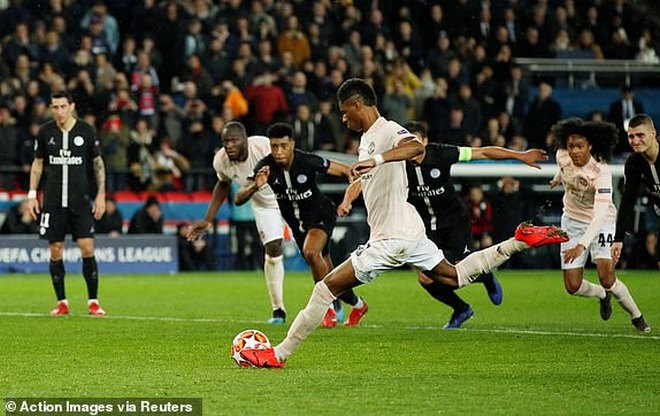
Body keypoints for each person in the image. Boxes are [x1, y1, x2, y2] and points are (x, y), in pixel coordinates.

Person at [240, 78, 568, 368]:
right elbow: (371, 175)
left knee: (325, 288)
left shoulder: (387, 130)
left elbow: (414, 146)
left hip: (392, 238)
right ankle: (520, 240)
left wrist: (379, 158)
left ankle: (278, 355)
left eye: (344, 111)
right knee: (454, 276)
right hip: (412, 231)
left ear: (356, 105)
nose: (342, 118)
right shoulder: (368, 138)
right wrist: (355, 185)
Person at [339, 121, 548, 329]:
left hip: (453, 221)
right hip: (424, 226)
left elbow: (481, 153)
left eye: (415, 142)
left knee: (461, 265)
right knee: (425, 278)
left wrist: (519, 156)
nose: (409, 149)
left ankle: (486, 277)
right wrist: (347, 201)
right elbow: (361, 181)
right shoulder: (396, 163)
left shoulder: (441, 153)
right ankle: (461, 309)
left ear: (425, 141)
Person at [237, 122, 366, 328]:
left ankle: (327, 309)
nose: (279, 152)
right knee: (327, 270)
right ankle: (357, 304)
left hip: (322, 214)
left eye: (284, 146)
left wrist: (347, 201)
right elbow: (238, 198)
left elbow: (346, 171)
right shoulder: (265, 167)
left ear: (292, 144)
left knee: (311, 253)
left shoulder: (306, 160)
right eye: (274, 146)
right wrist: (254, 186)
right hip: (299, 226)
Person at [549, 118, 650, 332]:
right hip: (572, 222)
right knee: (572, 286)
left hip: (602, 222)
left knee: (607, 277)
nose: (574, 151)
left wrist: (582, 245)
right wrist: (558, 178)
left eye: (579, 146)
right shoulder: (561, 156)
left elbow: (600, 213)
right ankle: (602, 296)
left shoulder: (601, 171)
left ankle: (636, 315)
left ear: (590, 146)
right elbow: (563, 168)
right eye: (570, 146)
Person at [187, 121, 288, 324]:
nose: (230, 145)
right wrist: (208, 220)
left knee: (311, 251)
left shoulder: (263, 146)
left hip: (291, 197)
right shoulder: (221, 161)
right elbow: (223, 184)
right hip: (265, 205)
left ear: (245, 140)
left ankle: (335, 302)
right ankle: (278, 310)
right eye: (226, 141)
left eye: (234, 140)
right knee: (273, 249)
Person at [26, 91, 107, 316]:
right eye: (55, 107)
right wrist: (32, 194)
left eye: (63, 106)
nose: (59, 111)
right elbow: (38, 164)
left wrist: (101, 195)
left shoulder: (86, 131)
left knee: (87, 248)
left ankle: (93, 301)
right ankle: (62, 302)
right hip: (52, 202)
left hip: (80, 202)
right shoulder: (45, 132)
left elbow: (98, 164)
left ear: (71, 106)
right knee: (56, 250)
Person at [612, 114, 660, 270]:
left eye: (640, 135)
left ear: (653, 133)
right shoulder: (634, 163)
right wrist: (618, 239)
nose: (635, 140)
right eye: (631, 136)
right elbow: (628, 201)